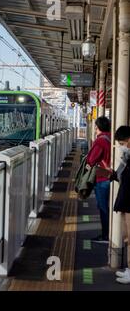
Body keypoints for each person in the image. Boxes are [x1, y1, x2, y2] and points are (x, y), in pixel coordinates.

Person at [86, 116, 112, 242]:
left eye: (95, 127)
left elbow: (91, 160)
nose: (95, 129)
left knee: (103, 208)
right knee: (107, 207)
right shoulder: (110, 138)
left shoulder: (100, 141)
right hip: (111, 178)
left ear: (98, 127)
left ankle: (106, 235)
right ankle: (109, 233)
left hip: (102, 179)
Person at [111, 126, 130, 284]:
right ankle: (129, 269)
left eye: (123, 142)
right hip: (126, 202)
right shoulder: (127, 157)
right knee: (127, 237)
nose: (122, 146)